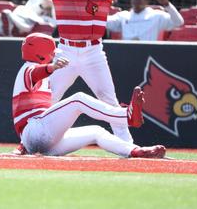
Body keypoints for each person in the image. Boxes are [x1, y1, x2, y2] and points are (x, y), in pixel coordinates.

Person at [0, 0, 181, 143]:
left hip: (93, 52)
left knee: (109, 101)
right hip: (65, 52)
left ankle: (129, 147)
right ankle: (27, 143)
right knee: (47, 99)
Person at [12, 33, 166, 158]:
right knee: (78, 99)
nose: (54, 54)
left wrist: (24, 144)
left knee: (96, 131)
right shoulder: (27, 68)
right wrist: (51, 67)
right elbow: (35, 73)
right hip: (34, 131)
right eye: (51, 52)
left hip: (40, 140)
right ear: (40, 54)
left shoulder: (40, 74)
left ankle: (135, 151)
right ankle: (126, 116)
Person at [106, 0, 184, 41]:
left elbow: (178, 22)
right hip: (126, 53)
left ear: (147, 0)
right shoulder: (123, 16)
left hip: (148, 53)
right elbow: (102, 22)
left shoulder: (156, 15)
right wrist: (103, 4)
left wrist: (167, 4)